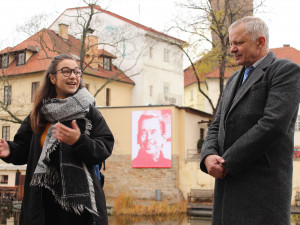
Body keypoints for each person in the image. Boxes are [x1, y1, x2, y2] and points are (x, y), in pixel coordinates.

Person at [200, 16, 300, 225]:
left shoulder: (284, 71)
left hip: (261, 194)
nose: (232, 49)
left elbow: (273, 125)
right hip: (227, 191)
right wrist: (208, 155)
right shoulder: (234, 79)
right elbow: (217, 123)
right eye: (231, 43)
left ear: (260, 42)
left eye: (239, 43)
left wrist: (228, 163)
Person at [0, 54, 114, 225]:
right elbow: (25, 150)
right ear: (52, 78)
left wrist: (79, 141)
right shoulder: (39, 114)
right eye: (66, 72)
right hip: (42, 206)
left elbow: (104, 147)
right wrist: (9, 150)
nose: (73, 76)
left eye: (77, 72)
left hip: (80, 210)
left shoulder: (89, 112)